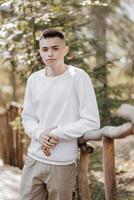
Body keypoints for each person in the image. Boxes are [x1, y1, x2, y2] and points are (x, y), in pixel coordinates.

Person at [19, 28, 100, 200]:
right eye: (45, 49)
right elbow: (28, 117)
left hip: (62, 163)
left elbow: (91, 121)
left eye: (55, 48)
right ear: (40, 51)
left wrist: (57, 133)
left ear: (65, 50)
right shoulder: (34, 79)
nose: (50, 53)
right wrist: (40, 134)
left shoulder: (78, 77)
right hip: (34, 159)